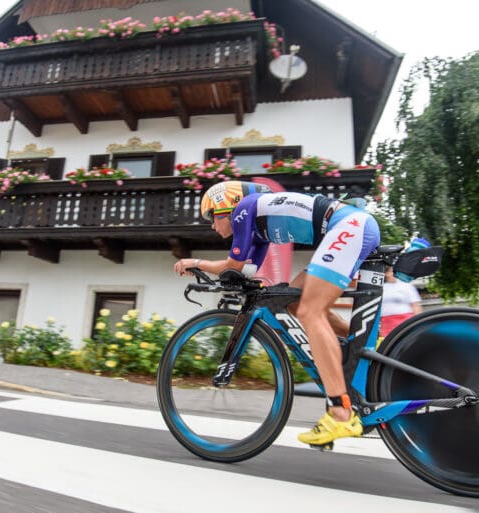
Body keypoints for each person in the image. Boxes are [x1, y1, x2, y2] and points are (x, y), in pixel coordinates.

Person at [173, 180, 381, 446]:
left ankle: (340, 412)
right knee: (293, 301)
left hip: (350, 225)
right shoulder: (260, 228)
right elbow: (243, 270)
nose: (213, 225)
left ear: (226, 207)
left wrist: (195, 263)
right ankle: (363, 351)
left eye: (212, 217)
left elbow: (233, 264)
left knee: (310, 311)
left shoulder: (244, 209)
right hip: (353, 226)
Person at [379, 265, 422, 338]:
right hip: (387, 323)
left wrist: (418, 323)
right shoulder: (381, 288)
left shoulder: (406, 286)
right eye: (391, 272)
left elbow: (416, 306)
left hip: (405, 321)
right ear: (386, 273)